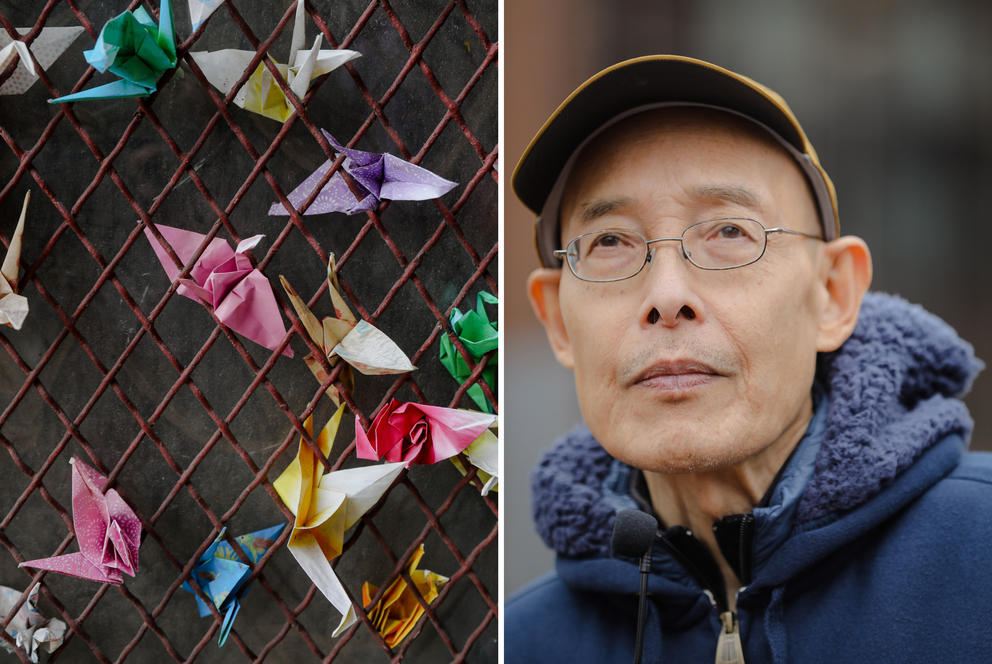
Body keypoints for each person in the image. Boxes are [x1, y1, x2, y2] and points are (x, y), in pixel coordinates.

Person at [506, 54, 991, 663]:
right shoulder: (526, 643)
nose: (666, 297)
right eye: (610, 242)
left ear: (833, 294)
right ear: (557, 322)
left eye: (729, 232)